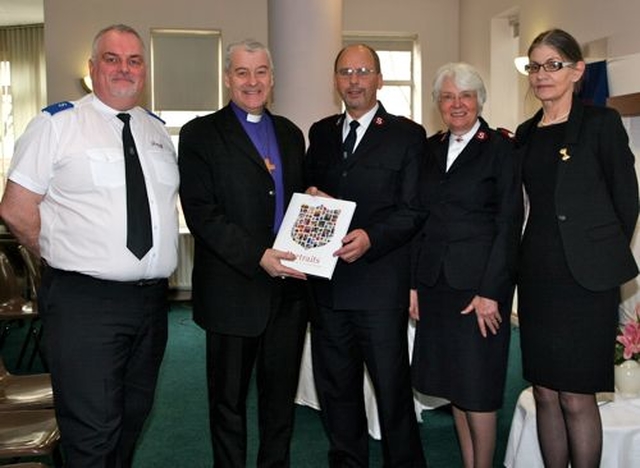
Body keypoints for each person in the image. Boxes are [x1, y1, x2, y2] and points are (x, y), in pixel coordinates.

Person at [0, 24, 179, 466]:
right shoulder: (57, 124)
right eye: (113, 59)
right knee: (91, 431)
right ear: (92, 68)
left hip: (151, 303)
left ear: (145, 70)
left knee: (130, 418)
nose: (124, 69)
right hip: (85, 301)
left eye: (134, 60)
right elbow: (16, 208)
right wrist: (58, 252)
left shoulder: (155, 130)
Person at [178, 39, 308, 467]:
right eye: (242, 72)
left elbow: (292, 203)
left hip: (287, 292)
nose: (252, 82)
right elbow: (202, 213)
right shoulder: (201, 134)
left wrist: (311, 202)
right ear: (227, 77)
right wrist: (259, 255)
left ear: (272, 77)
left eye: (260, 72)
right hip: (232, 290)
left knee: (279, 404)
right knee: (228, 404)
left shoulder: (290, 133)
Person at [516, 28, 639, 467]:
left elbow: (627, 198)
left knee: (576, 396)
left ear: (577, 71)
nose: (542, 75)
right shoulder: (526, 134)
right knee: (545, 392)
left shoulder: (601, 123)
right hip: (537, 276)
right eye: (534, 66)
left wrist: (597, 252)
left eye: (553, 65)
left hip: (585, 282)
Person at [305, 43, 427, 467]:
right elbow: (307, 200)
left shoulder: (408, 135)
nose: (353, 80)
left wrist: (371, 238)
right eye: (345, 72)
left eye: (363, 71)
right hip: (328, 290)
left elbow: (413, 211)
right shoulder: (319, 133)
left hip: (378, 287)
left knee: (393, 393)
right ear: (335, 79)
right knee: (337, 392)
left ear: (378, 78)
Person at [409, 62, 522, 468]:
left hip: (478, 290)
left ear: (479, 101)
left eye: (466, 96)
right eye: (448, 96)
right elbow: (420, 219)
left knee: (479, 389)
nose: (457, 104)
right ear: (438, 102)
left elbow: (509, 225)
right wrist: (414, 285)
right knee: (455, 386)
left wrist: (493, 292)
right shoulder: (431, 148)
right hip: (437, 286)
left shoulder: (502, 148)